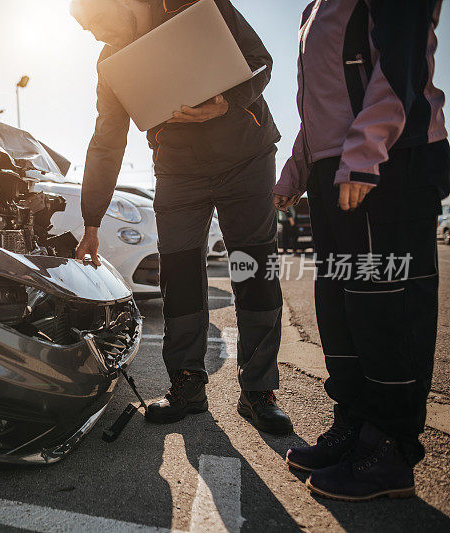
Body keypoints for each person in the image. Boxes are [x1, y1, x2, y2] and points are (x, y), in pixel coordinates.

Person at [70, 0, 292, 435]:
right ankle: (187, 384)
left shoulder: (196, 4)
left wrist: (226, 102)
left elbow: (260, 62)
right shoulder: (111, 63)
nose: (93, 34)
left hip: (245, 158)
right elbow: (106, 139)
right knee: (180, 276)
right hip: (179, 170)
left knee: (254, 272)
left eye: (94, 21)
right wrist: (92, 219)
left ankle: (259, 391)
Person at [275, 0, 449, 501]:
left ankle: (390, 448)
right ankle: (355, 424)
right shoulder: (315, 7)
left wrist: (365, 151)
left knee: (385, 309)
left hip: (386, 163)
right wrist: (299, 169)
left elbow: (402, 60)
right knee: (341, 310)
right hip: (335, 169)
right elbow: (320, 101)